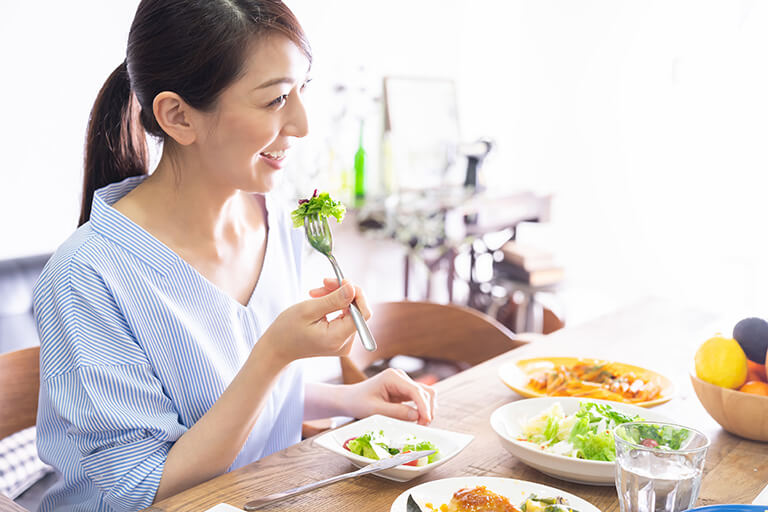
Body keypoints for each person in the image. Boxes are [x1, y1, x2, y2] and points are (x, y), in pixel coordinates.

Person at [32, 1, 437, 510]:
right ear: (178, 116)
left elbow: (211, 399)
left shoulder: (276, 219)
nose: (303, 123)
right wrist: (275, 353)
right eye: (276, 100)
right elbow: (143, 489)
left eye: (301, 90)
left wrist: (347, 397)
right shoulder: (86, 277)